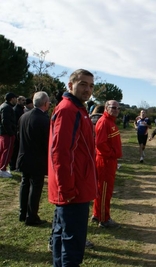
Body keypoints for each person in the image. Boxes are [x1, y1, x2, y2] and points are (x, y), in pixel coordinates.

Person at [47, 69, 97, 266]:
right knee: (72, 246)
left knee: (62, 239)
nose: (88, 89)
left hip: (76, 187)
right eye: (83, 84)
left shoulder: (78, 109)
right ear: (70, 85)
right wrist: (67, 189)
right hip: (73, 191)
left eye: (91, 85)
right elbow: (60, 152)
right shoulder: (69, 110)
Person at [17, 91, 50, 225]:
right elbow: (47, 142)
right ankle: (31, 216)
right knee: (35, 188)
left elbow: (18, 135)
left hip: (24, 155)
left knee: (25, 184)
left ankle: (22, 212)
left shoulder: (24, 116)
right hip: (37, 159)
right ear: (45, 103)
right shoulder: (44, 120)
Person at [91, 100, 122, 228]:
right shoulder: (104, 122)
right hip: (105, 161)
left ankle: (97, 214)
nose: (116, 110)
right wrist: (111, 153)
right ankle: (104, 219)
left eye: (118, 108)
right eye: (113, 107)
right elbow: (100, 143)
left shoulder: (110, 122)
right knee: (104, 191)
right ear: (106, 107)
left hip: (110, 161)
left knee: (103, 190)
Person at [0, 92, 18, 178]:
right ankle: (2, 169)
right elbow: (5, 121)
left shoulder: (3, 106)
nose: (16, 100)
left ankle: (1, 168)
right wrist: (11, 132)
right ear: (12, 99)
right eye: (15, 98)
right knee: (7, 151)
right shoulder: (7, 107)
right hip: (7, 133)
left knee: (3, 150)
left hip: (3, 133)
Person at [10, 95, 26, 171]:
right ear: (18, 101)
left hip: (19, 132)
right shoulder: (16, 109)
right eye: (22, 100)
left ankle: (16, 166)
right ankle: (13, 166)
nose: (24, 102)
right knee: (15, 150)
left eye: (24, 100)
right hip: (16, 132)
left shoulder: (21, 109)